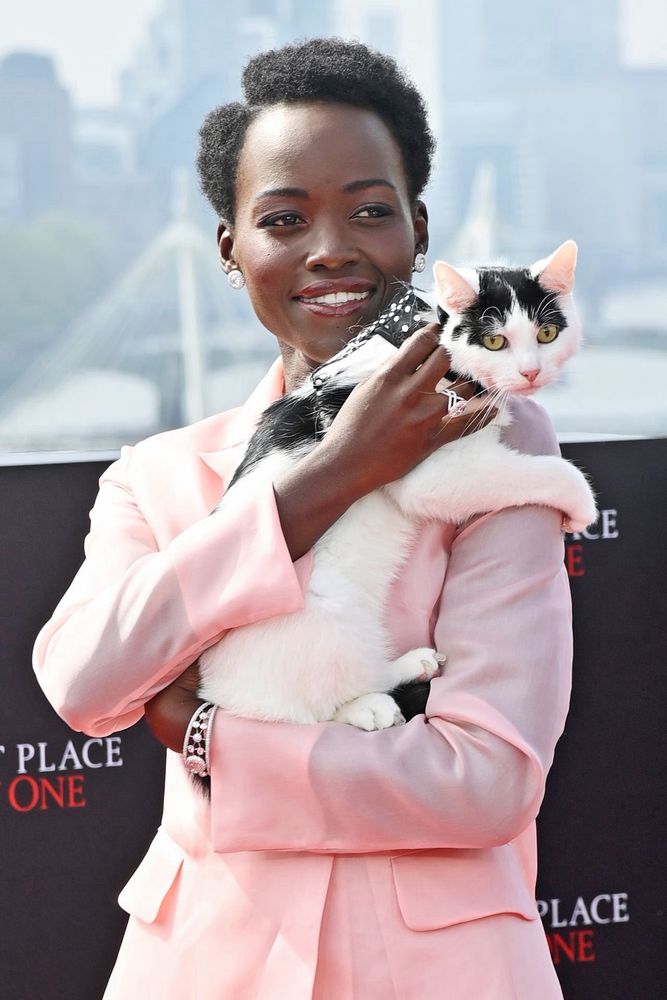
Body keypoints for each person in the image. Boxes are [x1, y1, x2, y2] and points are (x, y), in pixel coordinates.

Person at [33, 38, 569, 999]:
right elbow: (83, 683)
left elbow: (483, 779)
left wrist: (211, 741)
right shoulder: (156, 476)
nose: (330, 248)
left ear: (417, 229)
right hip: (200, 966)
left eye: (370, 210)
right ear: (231, 250)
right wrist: (328, 476)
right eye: (284, 219)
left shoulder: (498, 440)